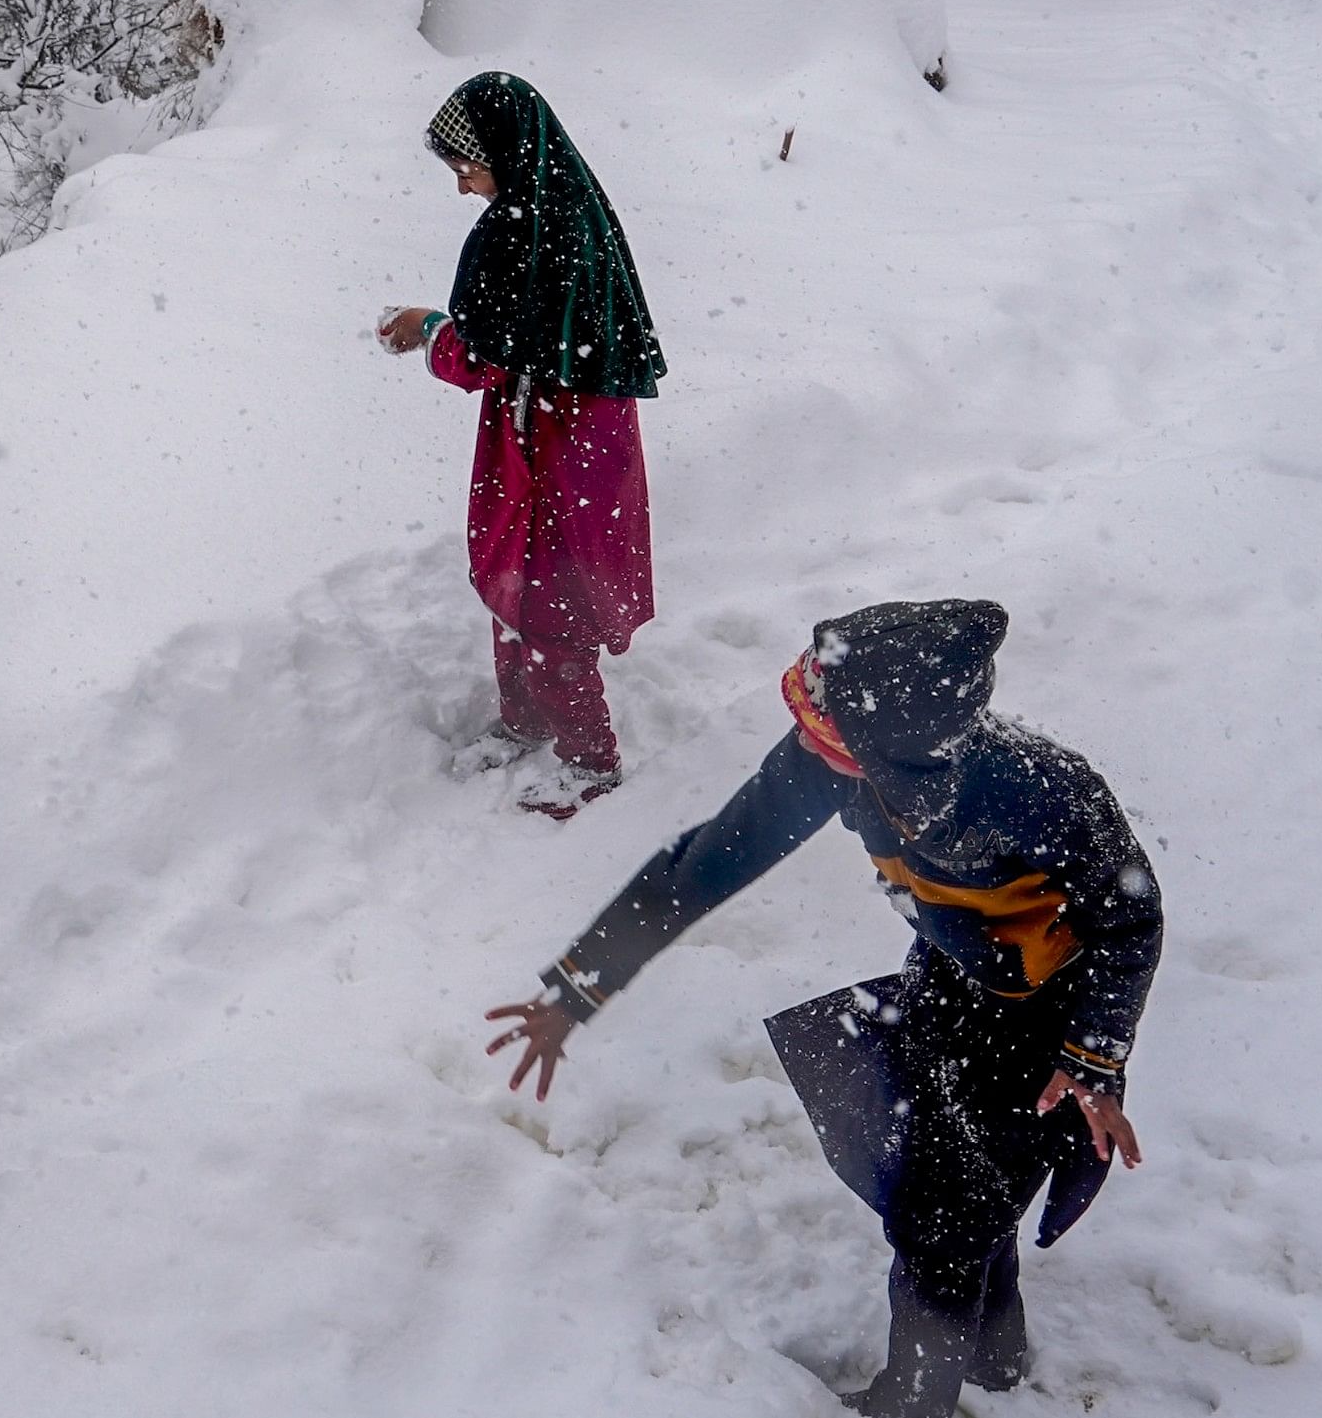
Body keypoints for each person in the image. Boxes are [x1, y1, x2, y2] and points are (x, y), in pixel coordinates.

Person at [478, 600, 1162, 1417]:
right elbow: (698, 866)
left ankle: (917, 1401)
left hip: (1044, 1018)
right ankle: (991, 1349)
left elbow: (1130, 915)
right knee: (951, 1186)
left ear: (892, 749)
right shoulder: (828, 762)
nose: (804, 730)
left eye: (824, 716)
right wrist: (576, 989)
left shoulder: (1036, 789)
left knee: (941, 1216)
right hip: (947, 978)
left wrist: (1091, 1056)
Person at [375, 72, 665, 806]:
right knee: (522, 589)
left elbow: (486, 352)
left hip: (558, 451)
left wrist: (429, 330)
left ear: (501, 151)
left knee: (549, 602)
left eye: (465, 167)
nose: (463, 187)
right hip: (568, 438)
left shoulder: (529, 230)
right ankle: (525, 718)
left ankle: (590, 761)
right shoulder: (564, 206)